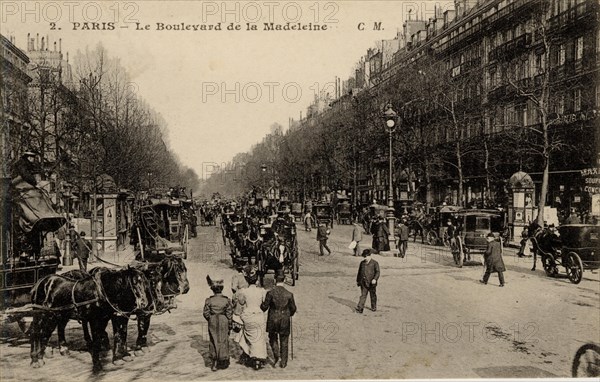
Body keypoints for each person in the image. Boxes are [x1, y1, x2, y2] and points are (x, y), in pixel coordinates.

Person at [260, 269, 297, 369]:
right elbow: (293, 309)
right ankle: (283, 362)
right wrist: (289, 314)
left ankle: (277, 357)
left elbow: (264, 307)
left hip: (273, 319)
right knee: (284, 340)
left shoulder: (270, 293)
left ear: (275, 280)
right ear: (284, 280)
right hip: (285, 319)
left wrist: (261, 302)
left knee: (272, 338)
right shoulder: (289, 294)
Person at [233, 265, 268, 369]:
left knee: (245, 334)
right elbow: (265, 303)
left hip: (247, 315)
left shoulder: (244, 291)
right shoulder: (262, 291)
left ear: (247, 281)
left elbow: (241, 302)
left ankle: (248, 354)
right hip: (258, 315)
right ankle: (259, 357)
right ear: (256, 281)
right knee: (259, 337)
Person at [203, 276, 233, 371]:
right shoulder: (226, 300)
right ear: (221, 289)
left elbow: (205, 313)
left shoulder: (209, 300)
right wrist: (229, 323)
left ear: (213, 290)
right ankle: (223, 360)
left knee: (213, 339)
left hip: (212, 320)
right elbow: (229, 313)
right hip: (223, 319)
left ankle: (214, 361)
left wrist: (211, 319)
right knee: (223, 339)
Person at [355, 249, 380, 313]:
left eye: (366, 256)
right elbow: (359, 272)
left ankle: (373, 306)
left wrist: (375, 279)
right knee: (363, 295)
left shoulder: (375, 263)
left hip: (372, 282)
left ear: (369, 256)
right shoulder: (362, 263)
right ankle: (360, 308)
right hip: (363, 282)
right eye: (364, 257)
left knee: (373, 295)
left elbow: (378, 272)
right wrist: (358, 280)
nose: (365, 258)